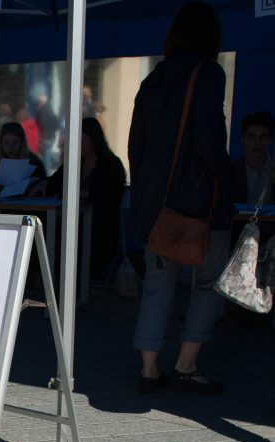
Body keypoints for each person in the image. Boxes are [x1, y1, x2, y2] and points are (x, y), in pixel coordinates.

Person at [128, 0, 235, 395]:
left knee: (158, 283)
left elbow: (135, 145)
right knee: (206, 283)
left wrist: (145, 193)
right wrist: (229, 180)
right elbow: (208, 139)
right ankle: (187, 365)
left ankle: (149, 368)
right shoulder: (207, 74)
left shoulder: (153, 79)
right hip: (198, 206)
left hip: (156, 206)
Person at [35, 117, 127, 276]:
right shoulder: (74, 163)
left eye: (82, 140)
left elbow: (112, 198)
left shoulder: (111, 164)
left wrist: (86, 195)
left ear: (94, 139)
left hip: (98, 228)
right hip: (70, 225)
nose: (79, 145)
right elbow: (56, 181)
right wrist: (44, 184)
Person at [0, 121, 46, 198]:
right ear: (1, 144)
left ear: (22, 143)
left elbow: (42, 191)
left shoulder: (34, 163)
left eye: (15, 142)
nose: (10, 147)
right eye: (6, 143)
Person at [232, 111, 275, 204]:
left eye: (263, 137)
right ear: (243, 139)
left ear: (270, 140)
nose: (257, 142)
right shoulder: (231, 171)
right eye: (252, 136)